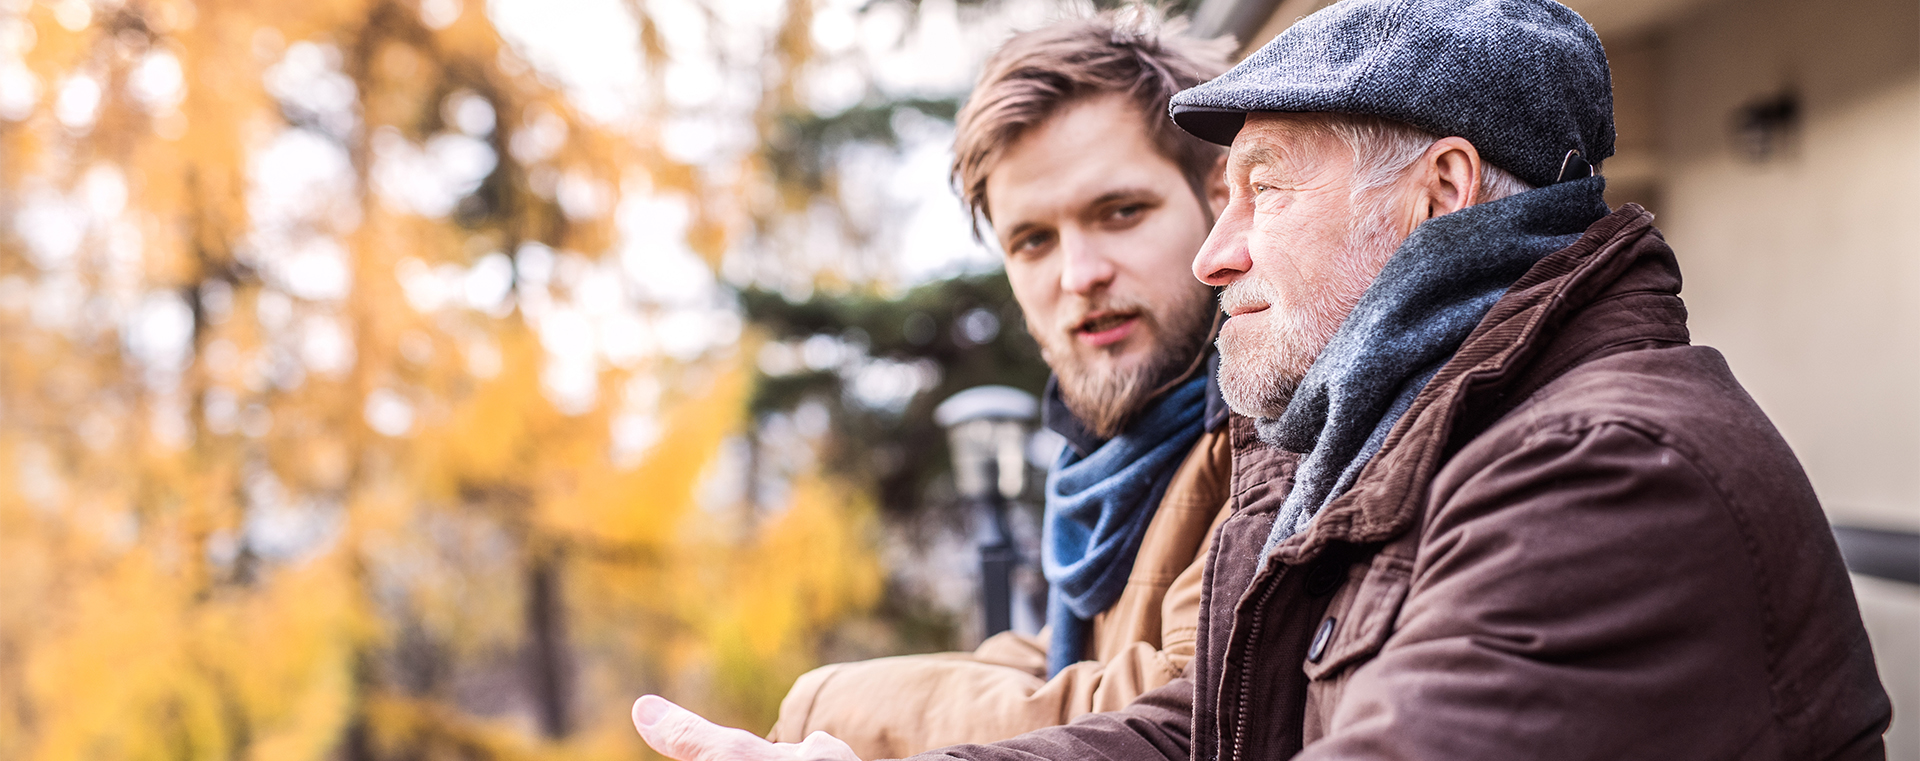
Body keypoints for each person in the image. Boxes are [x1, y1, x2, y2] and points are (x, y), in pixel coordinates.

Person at [633, 0, 1895, 758]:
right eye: (1030, 237)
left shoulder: (1607, 475)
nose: (1217, 248)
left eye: (1263, 190)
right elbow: (1207, 730)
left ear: (1441, 196)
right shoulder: (1351, 453)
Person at [764, 10, 1241, 759]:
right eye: (1033, 240)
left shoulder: (1270, 416)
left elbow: (1183, 702)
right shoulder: (1108, 466)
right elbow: (1063, 664)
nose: (1079, 275)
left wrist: (819, 705)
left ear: (1222, 194)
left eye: (1121, 212)